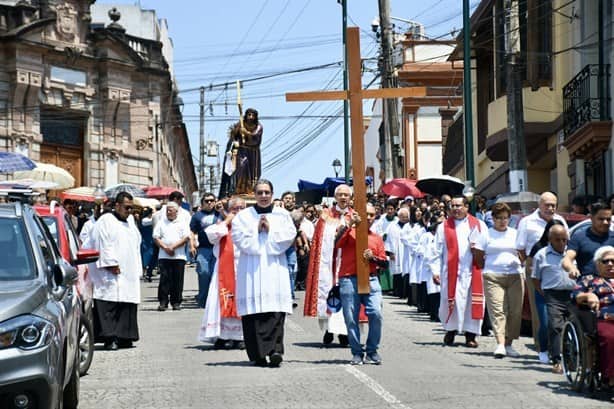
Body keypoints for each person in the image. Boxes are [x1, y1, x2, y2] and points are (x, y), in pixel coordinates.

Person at [231, 179, 296, 367]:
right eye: (260, 193)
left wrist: (271, 230)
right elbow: (237, 237)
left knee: (275, 311)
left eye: (267, 192)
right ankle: (259, 354)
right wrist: (256, 229)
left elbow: (289, 236)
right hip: (252, 268)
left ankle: (275, 351)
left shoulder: (282, 215)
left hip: (275, 267)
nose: (264, 196)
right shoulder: (244, 216)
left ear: (272, 194)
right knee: (254, 312)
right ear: (254, 195)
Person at [429, 195, 488, 347]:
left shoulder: (478, 225)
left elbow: (487, 246)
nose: (455, 209)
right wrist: (435, 271)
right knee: (451, 302)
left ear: (467, 207)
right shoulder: (444, 226)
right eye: (453, 206)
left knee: (471, 302)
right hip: (451, 272)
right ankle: (450, 331)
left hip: (473, 271)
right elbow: (436, 250)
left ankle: (470, 335)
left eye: (458, 205)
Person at [515, 191, 568, 360]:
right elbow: (520, 247)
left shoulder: (561, 221)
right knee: (540, 310)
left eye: (553, 205)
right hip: (534, 267)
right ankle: (541, 347)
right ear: (539, 205)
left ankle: (559, 347)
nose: (550, 208)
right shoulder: (527, 222)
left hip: (558, 268)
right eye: (547, 205)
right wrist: (528, 265)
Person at [86, 192, 142, 350]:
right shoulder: (106, 221)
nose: (129, 211)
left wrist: (137, 267)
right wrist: (110, 263)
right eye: (126, 207)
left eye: (131, 208)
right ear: (117, 205)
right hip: (111, 270)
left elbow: (136, 243)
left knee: (127, 302)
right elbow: (101, 242)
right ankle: (110, 337)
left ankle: (125, 336)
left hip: (128, 269)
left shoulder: (130, 221)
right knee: (110, 301)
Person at [336, 203, 387, 365]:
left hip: (371, 279)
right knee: (351, 318)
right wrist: (349, 224)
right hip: (348, 279)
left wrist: (373, 258)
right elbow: (336, 244)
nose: (369, 218)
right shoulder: (348, 231)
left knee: (376, 313)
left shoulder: (376, 238)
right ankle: (357, 352)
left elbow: (385, 263)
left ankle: (372, 350)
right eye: (367, 214)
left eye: (372, 215)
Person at [304, 184, 353, 346]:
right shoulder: (325, 215)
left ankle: (344, 333)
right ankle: (329, 330)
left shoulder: (354, 215)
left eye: (346, 195)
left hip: (345, 261)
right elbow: (321, 239)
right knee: (328, 293)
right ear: (335, 197)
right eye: (340, 195)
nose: (343, 197)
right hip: (328, 261)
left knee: (346, 295)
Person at [198, 196, 246, 350]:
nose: (238, 212)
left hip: (243, 269)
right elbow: (210, 235)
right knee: (221, 302)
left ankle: (240, 336)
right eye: (235, 209)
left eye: (241, 209)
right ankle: (222, 335)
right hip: (224, 270)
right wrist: (226, 220)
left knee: (241, 301)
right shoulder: (222, 226)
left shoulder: (248, 226)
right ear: (229, 210)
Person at [531, 224, 575, 374]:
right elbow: (536, 278)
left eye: (564, 240)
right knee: (555, 327)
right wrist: (544, 293)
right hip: (553, 295)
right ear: (550, 239)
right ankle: (557, 360)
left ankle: (572, 359)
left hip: (573, 295)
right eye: (558, 240)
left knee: (575, 327)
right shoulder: (542, 255)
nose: (562, 243)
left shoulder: (572, 254)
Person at [482, 203, 523, 358]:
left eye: (505, 218)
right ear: (493, 218)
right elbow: (479, 255)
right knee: (498, 310)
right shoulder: (486, 234)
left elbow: (522, 252)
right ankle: (500, 343)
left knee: (515, 311)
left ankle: (509, 343)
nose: (502, 221)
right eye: (499, 218)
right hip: (493, 275)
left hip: (514, 275)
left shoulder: (515, 234)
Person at [571, 245, 614, 387]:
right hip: (604, 319)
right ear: (597, 264)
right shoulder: (589, 280)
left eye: (613, 261)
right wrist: (588, 295)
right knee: (610, 337)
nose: (610, 264)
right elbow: (575, 295)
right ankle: (611, 378)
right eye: (606, 261)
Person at [153, 202, 190, 311]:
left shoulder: (182, 223)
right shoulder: (161, 222)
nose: (168, 212)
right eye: (167, 210)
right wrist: (165, 248)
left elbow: (186, 238)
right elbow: (156, 237)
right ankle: (163, 302)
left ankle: (176, 302)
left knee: (177, 280)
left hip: (179, 256)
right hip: (164, 256)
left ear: (176, 211)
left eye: (170, 210)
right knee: (164, 279)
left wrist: (173, 247)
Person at [562, 201, 614, 278]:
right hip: (588, 285)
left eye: (608, 219)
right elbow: (567, 259)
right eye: (601, 219)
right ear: (591, 218)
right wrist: (572, 268)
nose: (605, 222)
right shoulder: (579, 237)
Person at [219, 108, 263, 197]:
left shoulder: (258, 126)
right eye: (249, 115)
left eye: (253, 115)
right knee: (242, 167)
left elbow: (256, 137)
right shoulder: (241, 124)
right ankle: (238, 189)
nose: (250, 117)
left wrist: (246, 132)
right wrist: (238, 131)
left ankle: (250, 189)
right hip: (242, 151)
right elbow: (233, 135)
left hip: (253, 152)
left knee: (252, 172)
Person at [190, 193, 222, 308]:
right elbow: (192, 231)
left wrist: (222, 209)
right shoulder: (197, 216)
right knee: (203, 272)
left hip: (218, 247)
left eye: (212, 200)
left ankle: (215, 302)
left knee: (215, 273)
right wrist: (192, 245)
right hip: (203, 248)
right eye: (207, 201)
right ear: (202, 203)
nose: (209, 203)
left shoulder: (220, 214)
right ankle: (203, 300)